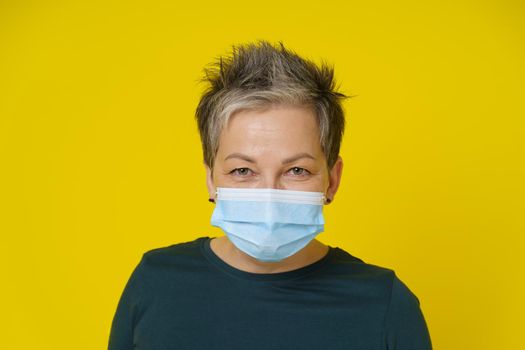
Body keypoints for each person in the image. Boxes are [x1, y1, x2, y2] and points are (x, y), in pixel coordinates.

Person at [108, 40, 433, 350]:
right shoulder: (155, 283)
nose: (269, 196)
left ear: (332, 180)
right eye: (242, 171)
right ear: (210, 179)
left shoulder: (385, 304)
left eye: (297, 171)